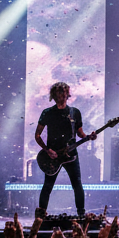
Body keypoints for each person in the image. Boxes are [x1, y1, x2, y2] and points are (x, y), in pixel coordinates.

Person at [34, 81, 87, 218]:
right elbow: (37, 135)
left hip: (71, 155)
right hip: (53, 157)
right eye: (58, 93)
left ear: (67, 94)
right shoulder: (47, 113)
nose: (62, 95)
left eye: (64, 92)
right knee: (47, 186)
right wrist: (47, 150)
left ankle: (81, 215)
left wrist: (89, 136)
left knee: (77, 184)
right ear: (54, 95)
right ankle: (40, 217)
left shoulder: (75, 112)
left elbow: (80, 133)